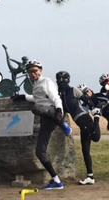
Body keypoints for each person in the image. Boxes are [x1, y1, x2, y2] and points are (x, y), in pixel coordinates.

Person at [13, 60, 72, 190]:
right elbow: (37, 98)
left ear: (40, 70)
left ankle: (63, 125)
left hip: (52, 112)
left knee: (36, 108)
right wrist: (23, 97)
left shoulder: (46, 81)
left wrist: (59, 111)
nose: (32, 73)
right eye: (30, 72)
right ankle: (56, 181)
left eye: (35, 71)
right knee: (40, 152)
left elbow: (55, 97)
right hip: (45, 117)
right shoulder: (35, 84)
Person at [56, 72, 102, 185]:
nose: (61, 81)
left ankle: (97, 116)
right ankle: (90, 177)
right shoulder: (59, 95)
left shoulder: (73, 90)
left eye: (64, 79)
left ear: (68, 80)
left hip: (84, 118)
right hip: (80, 123)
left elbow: (86, 100)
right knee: (85, 150)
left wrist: (94, 108)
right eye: (59, 79)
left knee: (95, 138)